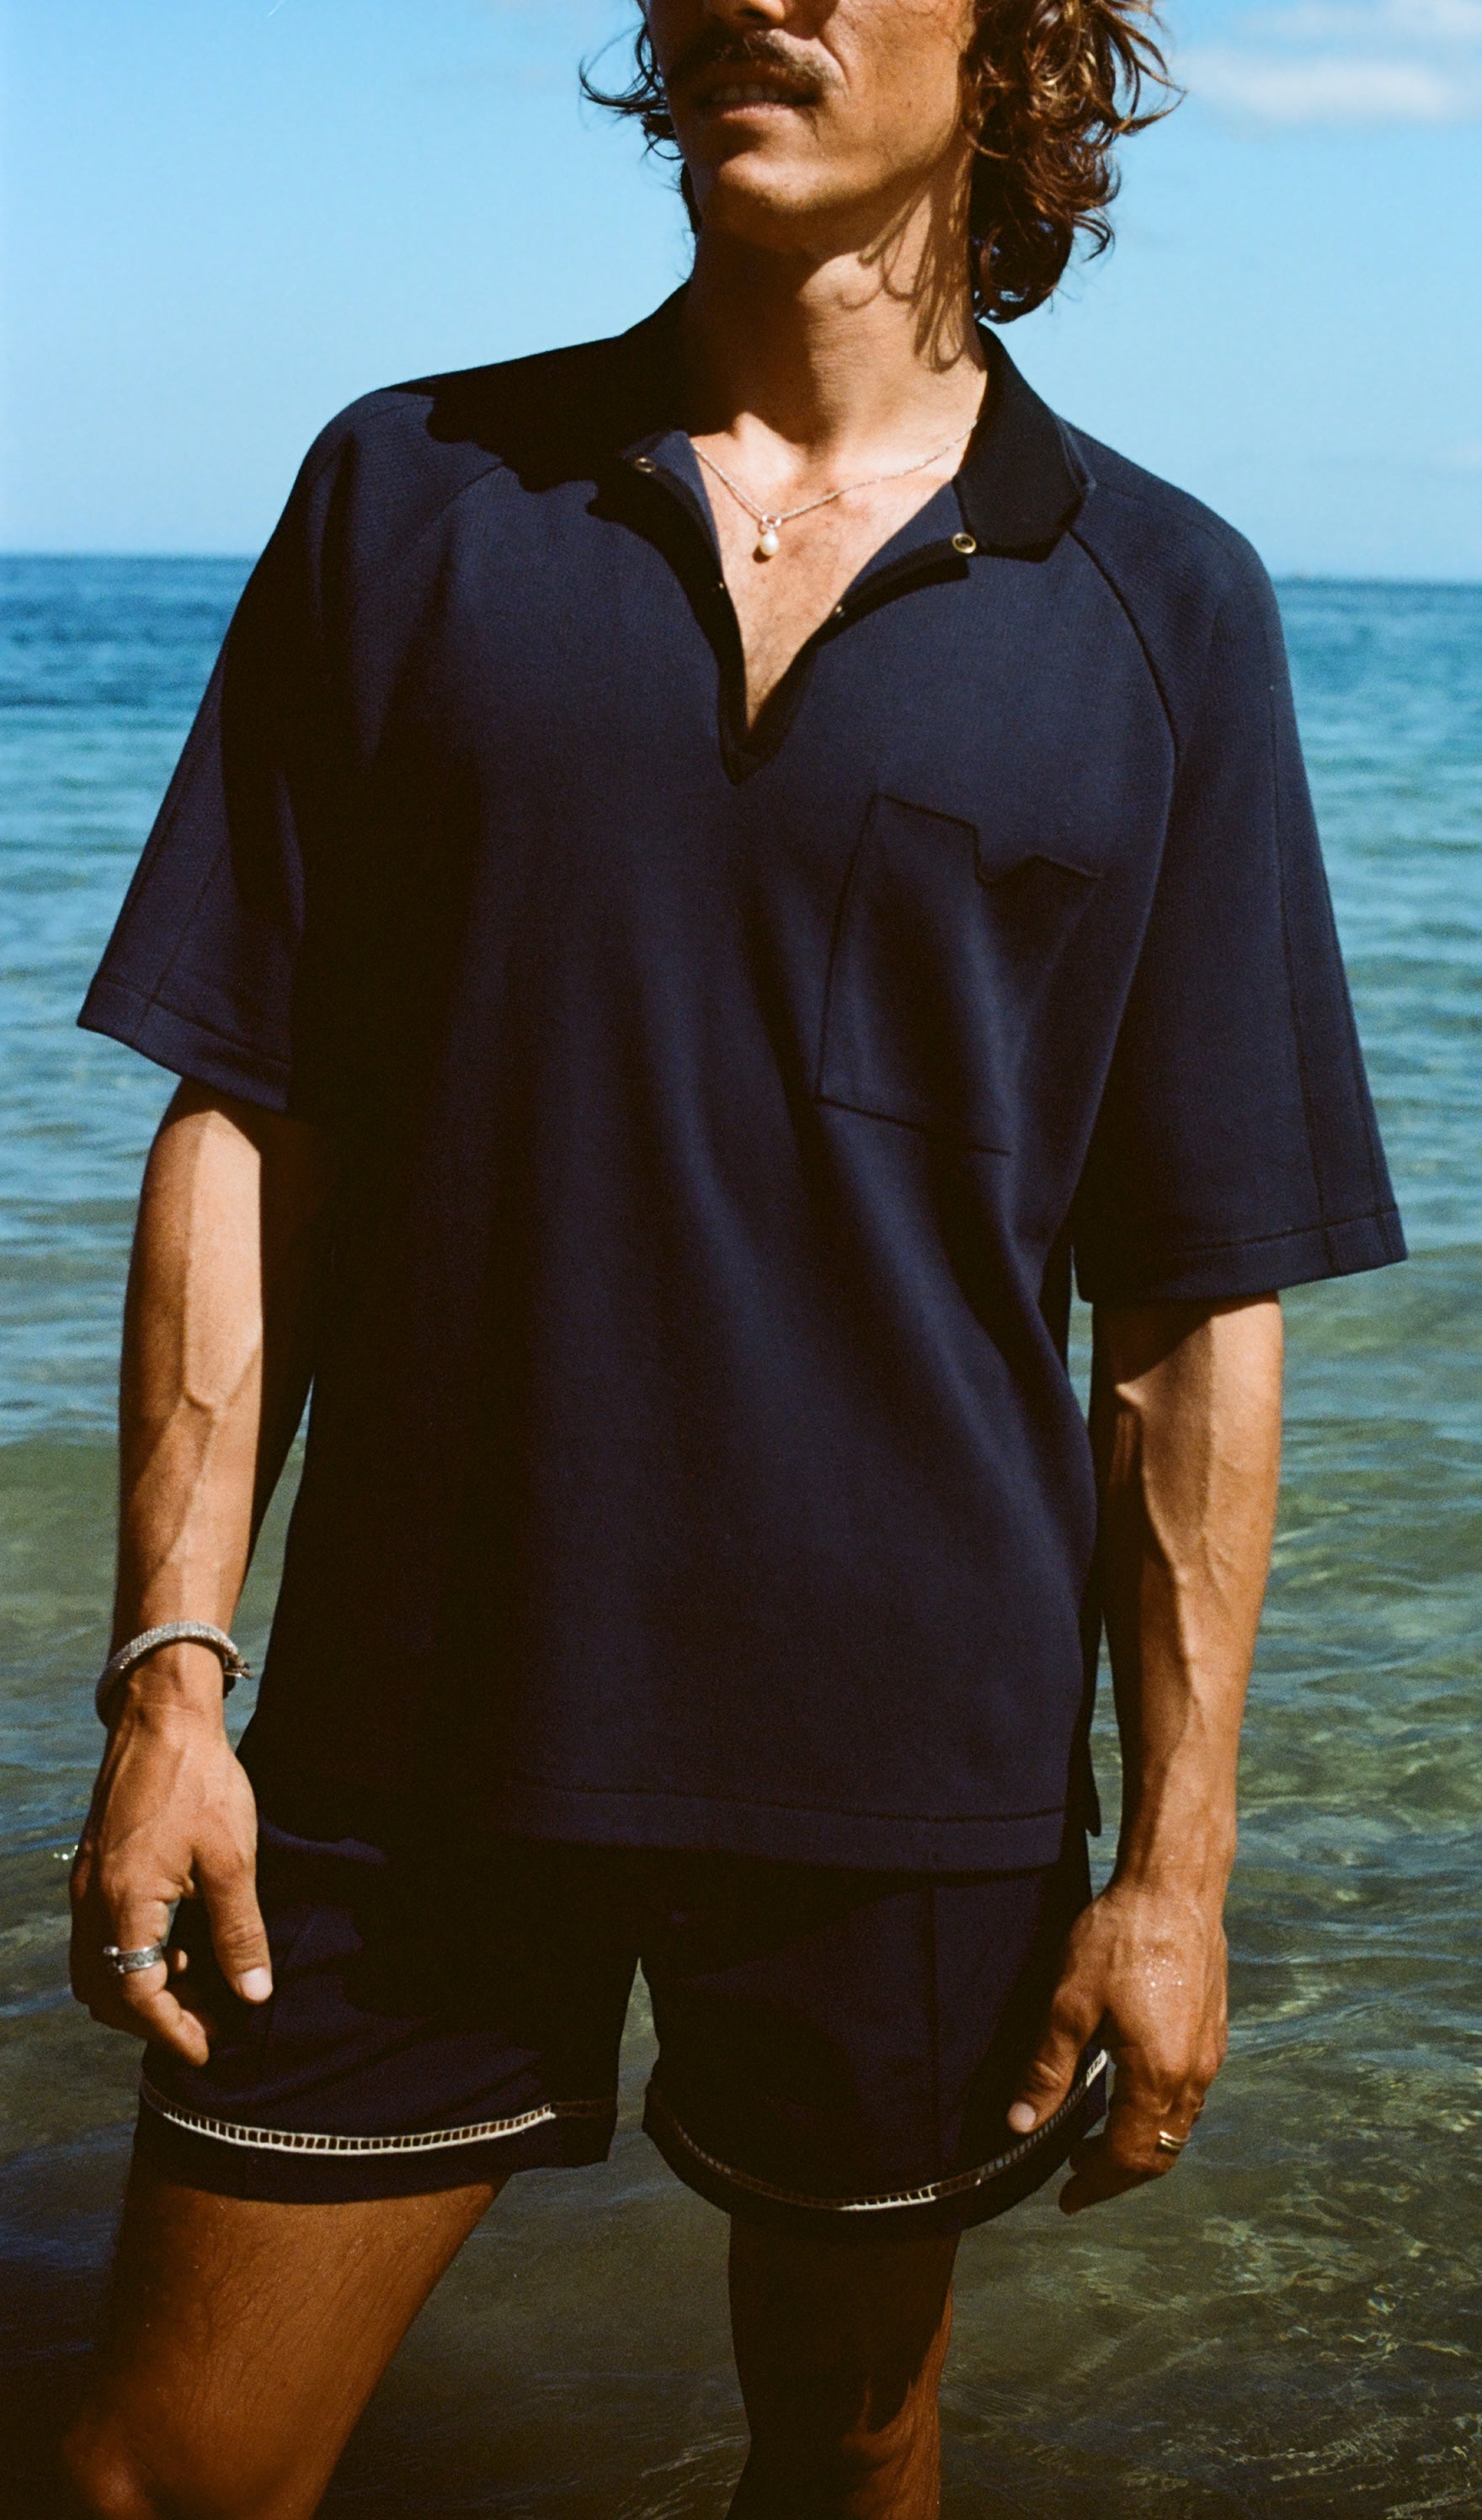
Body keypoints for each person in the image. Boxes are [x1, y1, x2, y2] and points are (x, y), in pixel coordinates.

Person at [60, 1, 1405, 2512]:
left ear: (1018, 50)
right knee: (160, 2472)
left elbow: (1197, 1293)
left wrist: (1174, 1872)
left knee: (848, 2442)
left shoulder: (1165, 603)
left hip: (905, 1761)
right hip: (405, 1736)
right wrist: (169, 1674)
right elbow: (253, 1115)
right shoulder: (415, 492)